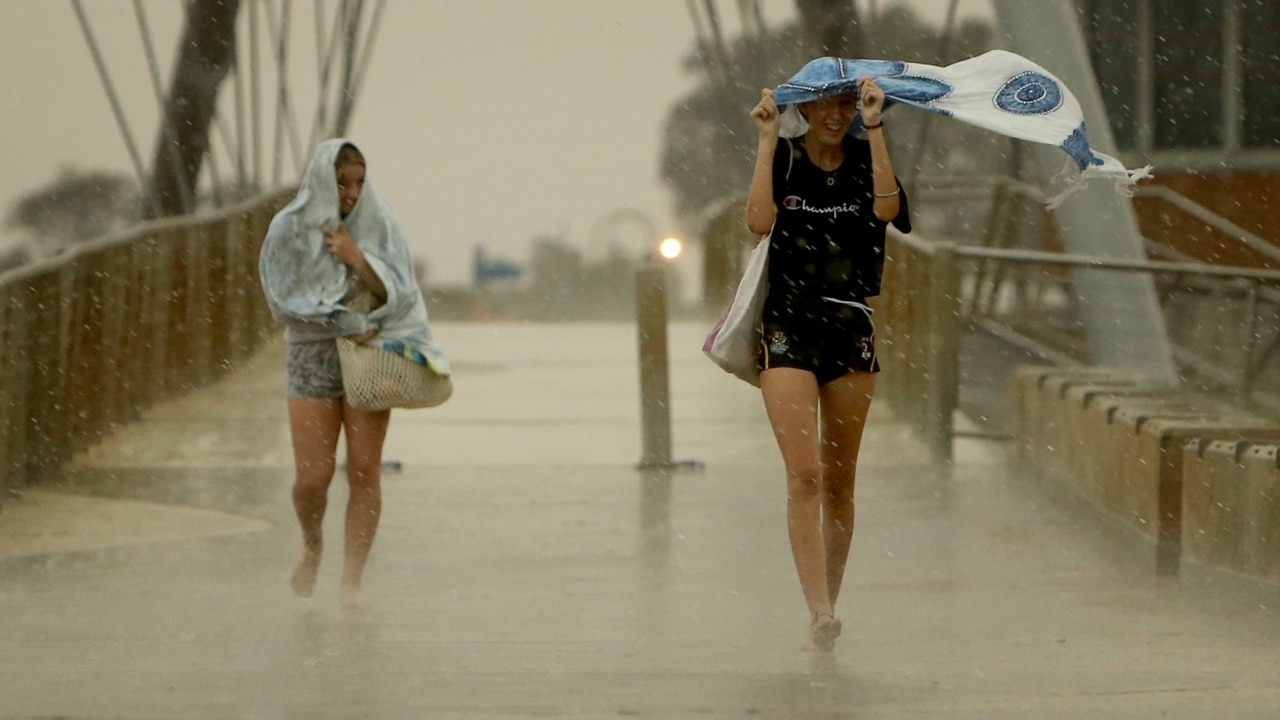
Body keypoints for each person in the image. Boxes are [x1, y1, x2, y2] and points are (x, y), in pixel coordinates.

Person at [745, 74, 911, 652]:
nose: (837, 114)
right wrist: (767, 140)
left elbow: (887, 209)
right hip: (788, 325)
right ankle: (817, 612)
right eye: (829, 104)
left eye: (847, 103)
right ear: (806, 107)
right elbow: (759, 222)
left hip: (849, 327)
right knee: (805, 475)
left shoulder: (868, 155)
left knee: (840, 482)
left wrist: (875, 122)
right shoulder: (786, 158)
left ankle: (830, 606)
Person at [259, 139, 448, 611]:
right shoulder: (287, 229)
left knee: (364, 470)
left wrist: (357, 258)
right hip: (311, 359)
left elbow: (402, 293)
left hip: (371, 357)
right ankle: (313, 543)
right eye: (342, 182)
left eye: (359, 182)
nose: (351, 192)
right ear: (322, 179)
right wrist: (342, 320)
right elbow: (282, 300)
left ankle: (351, 582)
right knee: (313, 479)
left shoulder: (378, 223)